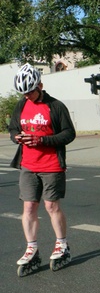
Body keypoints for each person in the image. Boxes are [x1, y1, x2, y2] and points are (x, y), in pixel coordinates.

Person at [8, 63, 77, 276]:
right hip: (28, 165)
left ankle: (62, 244)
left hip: (51, 165)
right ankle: (31, 247)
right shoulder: (21, 105)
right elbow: (12, 128)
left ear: (40, 85)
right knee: (28, 208)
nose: (27, 96)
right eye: (23, 93)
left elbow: (69, 134)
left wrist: (42, 139)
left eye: (30, 91)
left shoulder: (56, 107)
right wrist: (16, 137)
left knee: (51, 206)